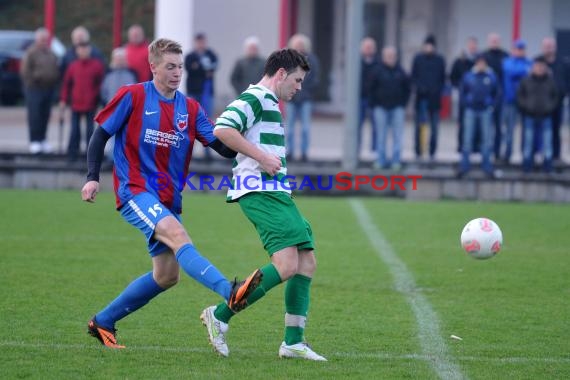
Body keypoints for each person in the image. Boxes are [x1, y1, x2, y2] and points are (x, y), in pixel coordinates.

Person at [81, 38, 262, 349]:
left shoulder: (190, 108)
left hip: (167, 199)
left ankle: (103, 321)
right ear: (153, 67)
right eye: (170, 66)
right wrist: (92, 178)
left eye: (180, 66)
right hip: (135, 191)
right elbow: (100, 135)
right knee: (179, 236)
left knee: (166, 276)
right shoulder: (133, 96)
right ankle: (229, 291)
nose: (178, 72)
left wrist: (250, 146)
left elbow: (219, 146)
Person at [201, 48, 327, 361]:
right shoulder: (255, 97)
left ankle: (293, 342)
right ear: (281, 74)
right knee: (286, 266)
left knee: (306, 262)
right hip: (259, 190)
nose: (299, 87)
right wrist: (261, 156)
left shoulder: (270, 102)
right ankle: (219, 315)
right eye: (297, 80)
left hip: (275, 191)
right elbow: (222, 128)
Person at [59, 42, 106, 161]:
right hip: (75, 103)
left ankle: (90, 155)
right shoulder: (73, 66)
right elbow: (67, 84)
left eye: (85, 49)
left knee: (90, 131)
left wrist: (98, 98)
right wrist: (64, 100)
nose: (83, 52)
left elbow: (101, 84)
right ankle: (72, 154)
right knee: (75, 130)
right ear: (77, 51)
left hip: (91, 103)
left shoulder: (97, 65)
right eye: (81, 49)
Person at [457, 54, 500, 178]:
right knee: (467, 140)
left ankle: (487, 166)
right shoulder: (468, 76)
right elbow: (462, 92)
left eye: (483, 63)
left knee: (486, 140)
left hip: (485, 111)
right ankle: (464, 166)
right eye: (479, 62)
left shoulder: (491, 77)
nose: (481, 65)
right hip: (471, 110)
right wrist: (467, 103)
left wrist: (491, 105)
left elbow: (497, 93)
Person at [369, 46, 410, 170]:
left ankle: (396, 161)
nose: (390, 58)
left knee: (397, 136)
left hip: (397, 108)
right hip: (380, 108)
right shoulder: (377, 71)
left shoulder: (401, 71)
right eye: (388, 56)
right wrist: (374, 104)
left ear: (396, 57)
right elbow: (370, 88)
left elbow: (407, 89)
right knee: (381, 135)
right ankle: (380, 160)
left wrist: (403, 104)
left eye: (392, 56)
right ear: (383, 57)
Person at [19, 27, 59, 154]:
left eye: (45, 39)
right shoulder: (31, 53)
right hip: (34, 89)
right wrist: (33, 82)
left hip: (48, 88)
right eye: (41, 39)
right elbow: (25, 71)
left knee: (45, 115)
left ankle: (43, 140)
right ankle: (34, 141)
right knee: (35, 115)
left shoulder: (51, 53)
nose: (43, 41)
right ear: (37, 39)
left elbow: (55, 69)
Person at [516, 57, 558, 173]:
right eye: (537, 66)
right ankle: (527, 167)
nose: (539, 68)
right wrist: (526, 107)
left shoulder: (550, 81)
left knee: (547, 143)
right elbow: (520, 96)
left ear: (545, 68)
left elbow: (555, 97)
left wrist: (549, 108)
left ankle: (548, 167)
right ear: (533, 67)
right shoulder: (526, 80)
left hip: (546, 116)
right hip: (529, 115)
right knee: (528, 142)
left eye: (541, 66)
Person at [411, 35, 446, 161]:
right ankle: (418, 151)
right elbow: (413, 77)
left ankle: (432, 151)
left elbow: (442, 78)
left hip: (435, 100)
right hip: (421, 99)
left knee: (434, 128)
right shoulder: (418, 59)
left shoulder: (439, 60)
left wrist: (436, 90)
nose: (429, 48)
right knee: (419, 127)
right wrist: (421, 88)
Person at [286, 33, 320, 162]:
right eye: (296, 44)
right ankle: (289, 151)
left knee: (305, 128)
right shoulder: (288, 59)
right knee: (289, 128)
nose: (299, 47)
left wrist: (308, 92)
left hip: (306, 98)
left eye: (301, 44)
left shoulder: (311, 60)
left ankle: (304, 152)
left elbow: (314, 78)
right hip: (291, 98)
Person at [536, 37, 566, 163]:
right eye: (547, 46)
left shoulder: (563, 63)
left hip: (558, 102)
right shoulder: (537, 62)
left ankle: (556, 155)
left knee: (555, 129)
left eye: (551, 46)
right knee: (539, 130)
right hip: (541, 103)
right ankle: (539, 154)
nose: (549, 49)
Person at [501, 39, 531, 164]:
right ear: (513, 50)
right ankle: (507, 154)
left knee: (527, 130)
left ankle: (526, 156)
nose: (520, 51)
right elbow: (512, 72)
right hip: (511, 100)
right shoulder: (507, 62)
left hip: (526, 101)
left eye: (522, 49)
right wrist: (524, 71)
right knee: (509, 130)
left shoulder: (530, 62)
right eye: (517, 49)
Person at [482, 32, 509, 159]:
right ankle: (485, 151)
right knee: (486, 127)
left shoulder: (505, 56)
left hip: (501, 97)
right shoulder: (483, 56)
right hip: (486, 97)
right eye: (492, 40)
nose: (494, 42)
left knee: (499, 126)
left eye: (496, 40)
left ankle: (497, 151)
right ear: (488, 41)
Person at [450, 36, 479, 152]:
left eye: (474, 45)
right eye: (470, 44)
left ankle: (475, 146)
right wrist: (461, 88)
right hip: (464, 98)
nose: (472, 47)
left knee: (477, 124)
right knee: (462, 123)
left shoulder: (479, 61)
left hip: (477, 98)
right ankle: (461, 146)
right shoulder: (459, 61)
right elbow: (453, 77)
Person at [184, 32, 218, 117]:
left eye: (202, 42)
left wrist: (197, 66)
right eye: (199, 42)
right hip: (193, 90)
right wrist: (203, 69)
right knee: (192, 114)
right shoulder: (190, 56)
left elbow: (214, 67)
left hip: (207, 90)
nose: (201, 44)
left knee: (207, 115)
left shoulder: (211, 54)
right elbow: (189, 68)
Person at [358, 37, 380, 155]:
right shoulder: (356, 63)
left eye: (370, 47)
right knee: (357, 124)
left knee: (375, 125)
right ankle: (356, 147)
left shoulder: (378, 63)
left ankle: (374, 149)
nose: (368, 50)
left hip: (373, 98)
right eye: (366, 47)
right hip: (360, 98)